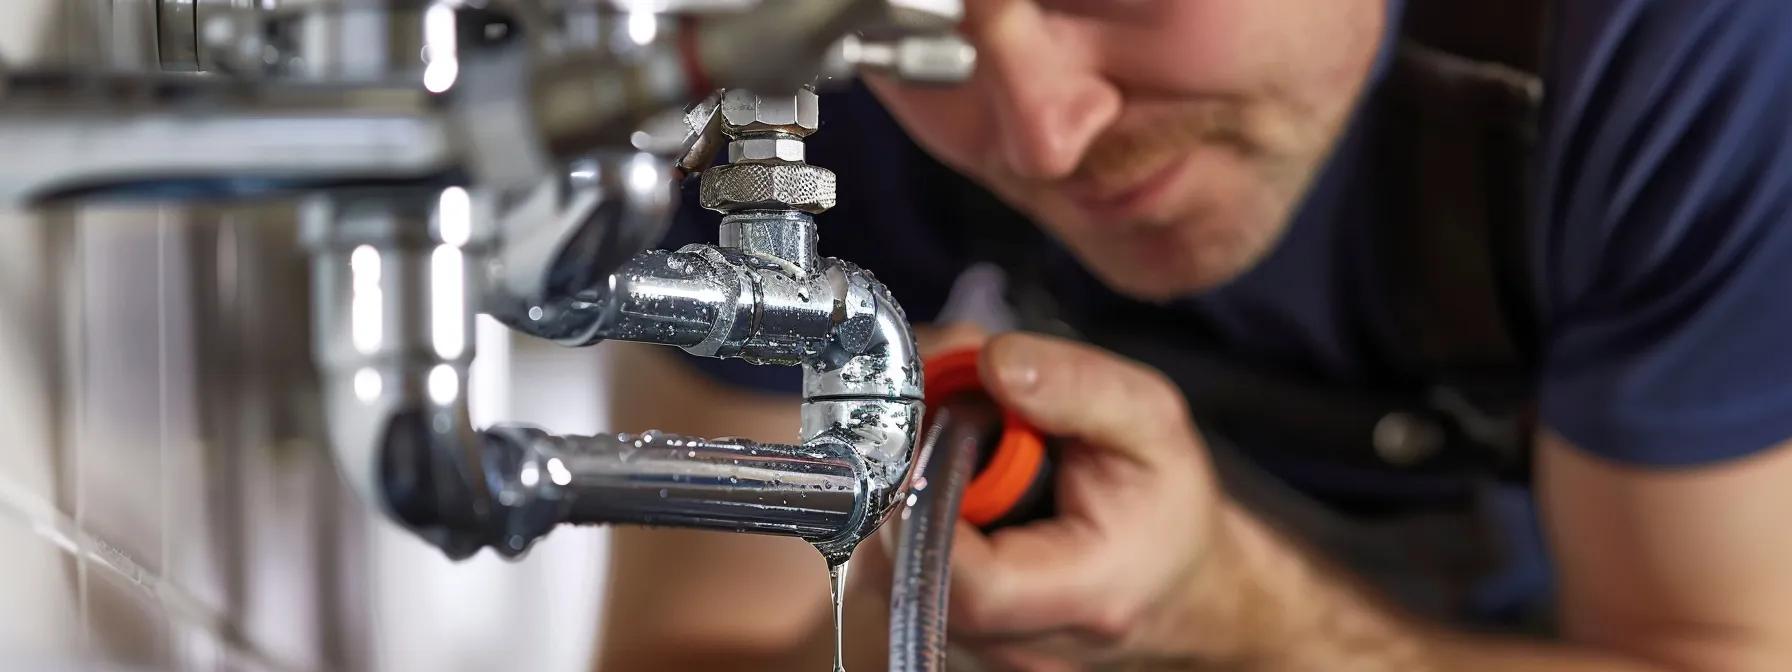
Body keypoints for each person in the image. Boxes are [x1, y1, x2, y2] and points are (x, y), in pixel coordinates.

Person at [597, 0, 1792, 669]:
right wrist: (870, 641)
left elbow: (1706, 652)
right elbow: (689, 642)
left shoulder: (1684, 55)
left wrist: (1237, 616)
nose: (1044, 136)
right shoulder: (822, 92)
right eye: (925, 33)